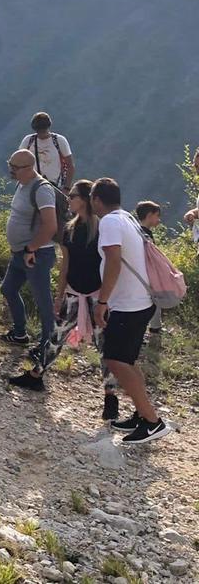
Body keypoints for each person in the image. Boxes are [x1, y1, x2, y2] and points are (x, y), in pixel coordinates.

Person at [8, 181, 113, 402]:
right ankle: (37, 374)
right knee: (57, 336)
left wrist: (106, 298)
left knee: (103, 344)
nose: (68, 199)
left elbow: (110, 263)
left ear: (85, 200)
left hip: (97, 295)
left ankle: (110, 394)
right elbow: (65, 265)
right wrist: (60, 295)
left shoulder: (104, 228)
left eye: (73, 196)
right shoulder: (69, 229)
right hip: (74, 292)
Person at [92, 178, 171, 444]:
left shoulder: (109, 222)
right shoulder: (125, 217)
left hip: (129, 305)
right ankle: (141, 415)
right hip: (140, 302)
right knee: (127, 361)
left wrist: (102, 302)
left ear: (96, 200)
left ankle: (152, 421)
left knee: (116, 361)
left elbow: (113, 260)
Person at [0, 149, 58, 358]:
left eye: (15, 167)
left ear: (28, 167)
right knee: (8, 289)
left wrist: (31, 248)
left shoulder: (42, 189)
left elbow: (50, 225)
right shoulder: (22, 184)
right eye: (10, 165)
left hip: (36, 254)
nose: (11, 171)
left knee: (43, 300)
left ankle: (47, 347)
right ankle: (20, 333)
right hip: (21, 253)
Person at [19, 112, 74, 190]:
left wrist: (67, 188)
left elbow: (70, 166)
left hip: (55, 187)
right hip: (31, 186)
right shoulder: (28, 141)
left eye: (43, 130)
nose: (41, 134)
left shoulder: (59, 141)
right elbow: (18, 162)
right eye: (39, 131)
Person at [135, 201, 164, 336]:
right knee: (154, 300)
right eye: (157, 216)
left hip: (141, 274)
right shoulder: (144, 235)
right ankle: (154, 328)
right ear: (149, 215)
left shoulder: (136, 231)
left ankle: (154, 326)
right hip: (147, 274)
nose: (158, 219)